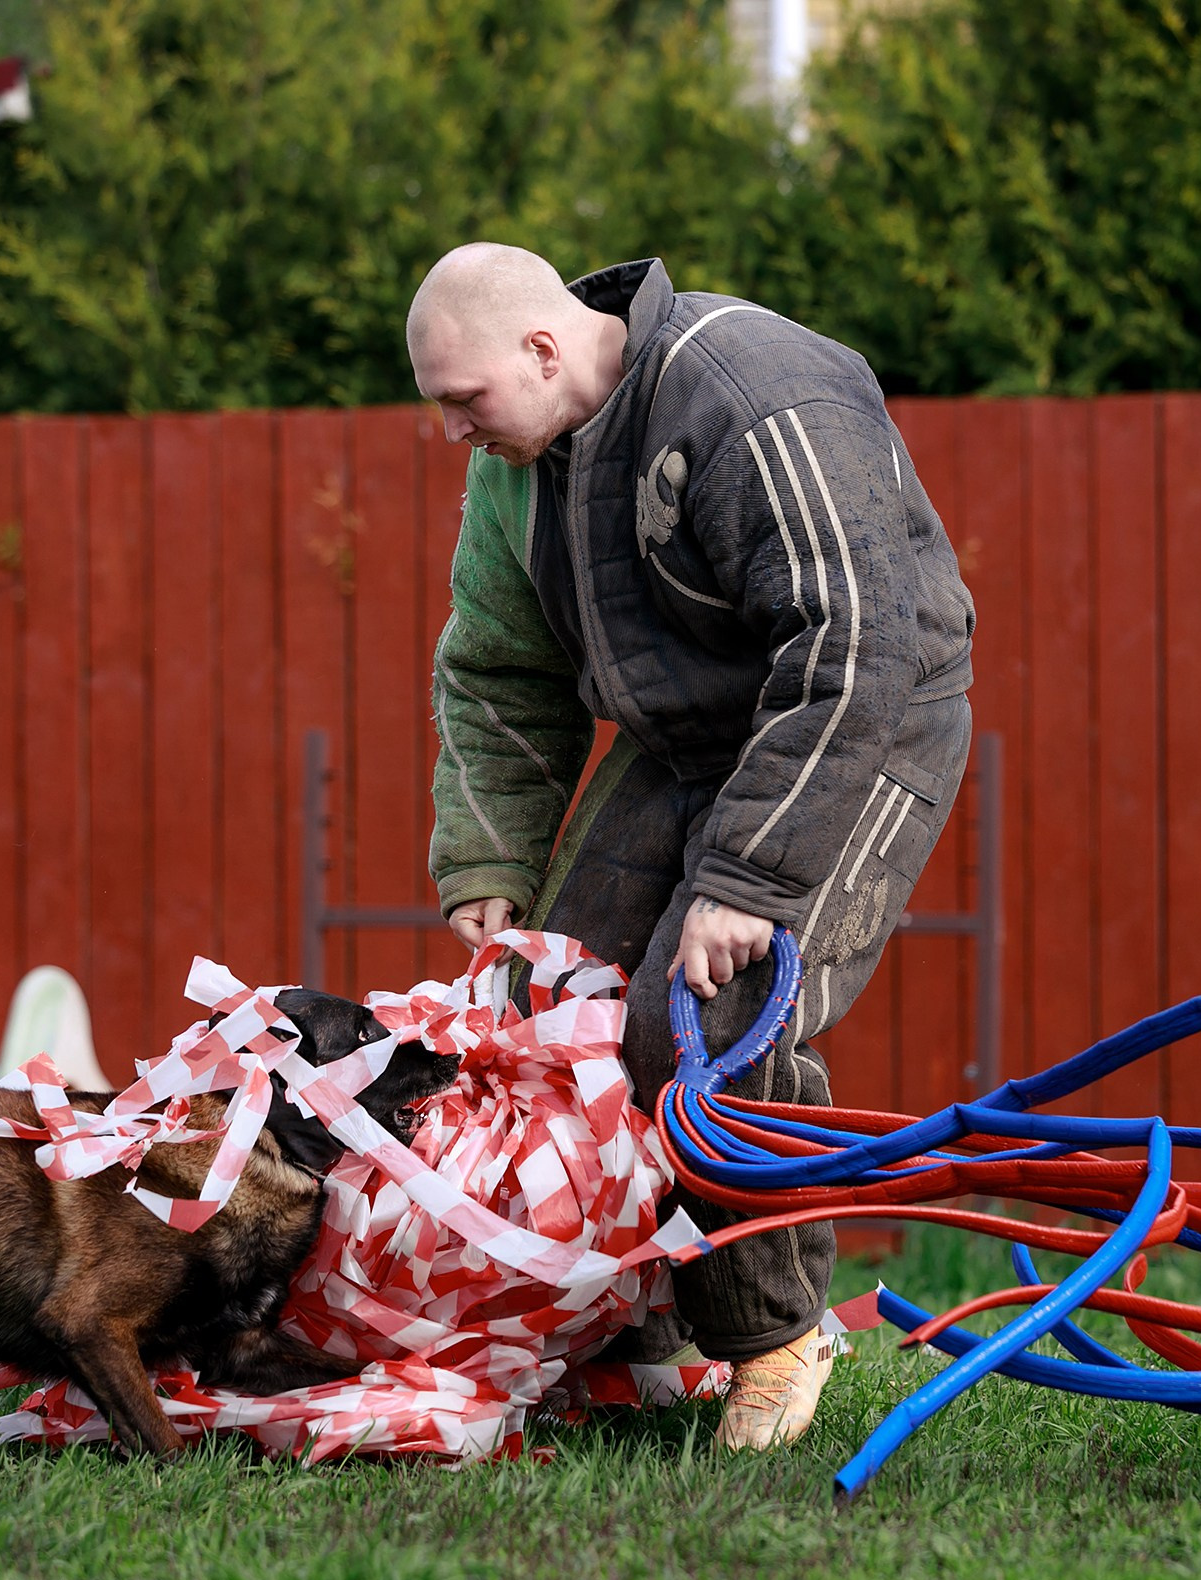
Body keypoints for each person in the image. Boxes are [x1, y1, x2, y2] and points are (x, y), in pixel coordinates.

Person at [408, 244, 974, 1450]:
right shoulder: (522, 466)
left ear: (545, 350)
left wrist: (747, 878)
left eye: (463, 401)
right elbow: (497, 669)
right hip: (683, 741)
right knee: (550, 1013)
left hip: (858, 721)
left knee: (707, 1021)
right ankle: (631, 1337)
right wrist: (492, 864)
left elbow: (851, 644)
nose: (450, 429)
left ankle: (775, 1341)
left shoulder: (751, 391)